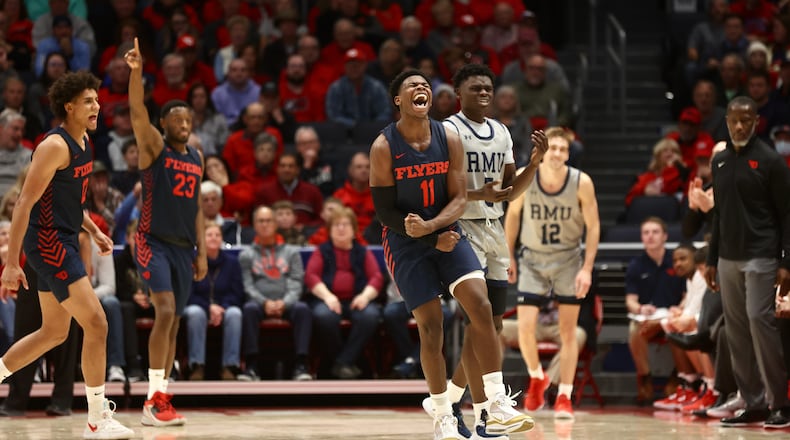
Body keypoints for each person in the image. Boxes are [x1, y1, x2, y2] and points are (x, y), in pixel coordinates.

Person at [370, 69, 533, 440]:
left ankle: (493, 404)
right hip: (406, 241)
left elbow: (459, 197)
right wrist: (426, 236)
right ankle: (443, 414)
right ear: (399, 100)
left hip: (445, 230)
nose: (422, 89)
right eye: (413, 86)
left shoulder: (449, 136)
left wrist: (435, 229)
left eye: (425, 85)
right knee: (432, 328)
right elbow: (385, 212)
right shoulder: (384, 146)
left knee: (482, 308)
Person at [0, 70, 134, 439]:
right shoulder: (54, 146)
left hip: (64, 238)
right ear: (69, 106)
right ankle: (96, 419)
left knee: (53, 332)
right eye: (89, 101)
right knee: (97, 323)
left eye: (97, 99)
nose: (97, 105)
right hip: (47, 243)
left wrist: (93, 230)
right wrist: (12, 263)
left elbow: (71, 203)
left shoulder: (85, 141)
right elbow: (23, 204)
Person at [434, 63, 549, 437]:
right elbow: (439, 188)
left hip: (493, 228)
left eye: (488, 89)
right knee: (480, 318)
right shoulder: (448, 130)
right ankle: (487, 411)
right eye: (476, 89)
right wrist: (474, 195)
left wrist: (533, 165)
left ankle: (453, 397)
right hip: (461, 228)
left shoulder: (500, 131)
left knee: (492, 325)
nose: (484, 94)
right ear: (458, 94)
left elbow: (508, 191)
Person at [125, 38, 207, 427]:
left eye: (188, 117)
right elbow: (137, 111)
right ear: (164, 125)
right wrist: (137, 72)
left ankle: (160, 396)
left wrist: (202, 252)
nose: (184, 121)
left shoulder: (197, 156)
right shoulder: (155, 148)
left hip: (183, 247)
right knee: (167, 311)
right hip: (151, 241)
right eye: (176, 117)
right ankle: (152, 400)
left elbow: (196, 211)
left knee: (173, 321)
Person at [503, 126, 599, 420]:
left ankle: (564, 397)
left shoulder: (581, 182)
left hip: (568, 259)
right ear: (542, 152)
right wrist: (509, 256)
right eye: (552, 148)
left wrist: (587, 268)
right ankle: (536, 377)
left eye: (562, 149)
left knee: (569, 333)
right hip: (532, 259)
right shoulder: (525, 175)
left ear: (568, 154)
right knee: (524, 328)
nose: (557, 154)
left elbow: (593, 227)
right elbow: (513, 217)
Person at [705, 96, 790, 428]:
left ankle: (779, 403)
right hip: (727, 258)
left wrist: (786, 260)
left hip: (762, 255)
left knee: (760, 321)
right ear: (726, 120)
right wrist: (711, 258)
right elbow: (719, 215)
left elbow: (786, 214)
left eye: (746, 120)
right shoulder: (720, 160)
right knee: (736, 330)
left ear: (757, 121)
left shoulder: (770, 161)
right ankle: (752, 402)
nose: (739, 126)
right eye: (734, 120)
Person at [305, 207, 383, 379]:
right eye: (336, 225)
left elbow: (376, 277)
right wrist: (328, 297)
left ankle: (342, 363)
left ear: (354, 230)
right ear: (329, 230)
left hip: (356, 300)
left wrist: (365, 296)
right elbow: (311, 276)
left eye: (345, 224)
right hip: (327, 300)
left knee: (370, 315)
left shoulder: (363, 251)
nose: (341, 228)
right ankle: (346, 363)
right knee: (324, 316)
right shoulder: (322, 250)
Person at [239, 205, 312, 381]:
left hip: (286, 302)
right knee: (248, 309)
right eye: (260, 221)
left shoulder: (291, 252)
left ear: (275, 224)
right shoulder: (246, 255)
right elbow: (248, 286)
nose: (265, 225)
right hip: (259, 304)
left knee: (303, 309)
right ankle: (251, 366)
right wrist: (264, 302)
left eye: (268, 220)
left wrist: (284, 303)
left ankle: (301, 365)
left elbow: (296, 282)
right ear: (254, 225)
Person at [623, 217, 686, 405]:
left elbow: (687, 295)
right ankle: (645, 378)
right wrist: (641, 308)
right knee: (634, 331)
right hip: (648, 319)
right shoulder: (636, 265)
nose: (650, 236)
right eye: (646, 232)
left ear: (665, 236)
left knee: (680, 329)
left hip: (673, 317)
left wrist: (680, 309)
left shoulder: (677, 261)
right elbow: (630, 301)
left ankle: (678, 377)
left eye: (655, 232)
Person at [184, 222, 245, 381]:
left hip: (224, 307)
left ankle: (230, 366)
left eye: (217, 235)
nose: (213, 238)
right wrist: (209, 307)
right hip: (198, 305)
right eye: (209, 235)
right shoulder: (192, 262)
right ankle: (196, 365)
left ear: (222, 239)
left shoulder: (232, 263)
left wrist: (222, 307)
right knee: (195, 313)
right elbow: (187, 293)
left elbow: (237, 293)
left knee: (235, 313)